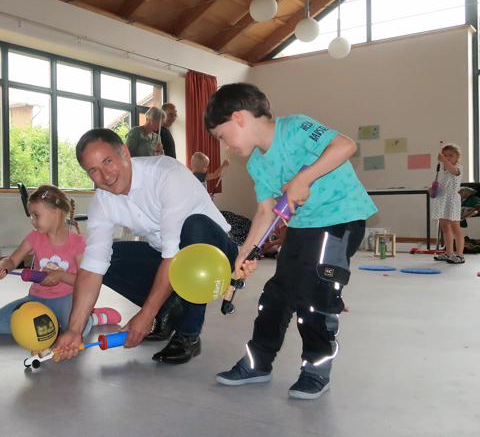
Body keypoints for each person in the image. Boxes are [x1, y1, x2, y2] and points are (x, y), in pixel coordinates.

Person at [204, 83, 377, 399]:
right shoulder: (257, 163)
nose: (224, 146)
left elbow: (344, 146)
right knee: (276, 294)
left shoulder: (296, 127)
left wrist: (302, 178)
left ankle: (316, 370)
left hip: (341, 219)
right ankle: (258, 363)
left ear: (239, 118)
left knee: (316, 297)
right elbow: (265, 209)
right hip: (304, 225)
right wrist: (245, 251)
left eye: (221, 136)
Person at [51, 128, 257, 365]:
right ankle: (168, 312)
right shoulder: (103, 201)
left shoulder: (166, 174)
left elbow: (174, 254)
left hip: (214, 253)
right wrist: (74, 329)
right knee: (110, 259)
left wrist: (145, 315)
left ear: (125, 153)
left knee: (194, 226)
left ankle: (188, 334)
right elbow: (92, 269)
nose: (105, 175)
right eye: (93, 170)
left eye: (108, 161)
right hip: (169, 258)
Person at [0, 184, 121, 335]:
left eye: (36, 215)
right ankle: (54, 323)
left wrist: (60, 275)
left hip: (67, 298)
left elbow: (84, 280)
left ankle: (93, 317)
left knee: (80, 330)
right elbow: (12, 261)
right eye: (31, 216)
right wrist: (2, 265)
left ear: (56, 213)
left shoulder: (78, 242)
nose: (32, 221)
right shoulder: (34, 237)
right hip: (36, 298)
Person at [429, 144, 464, 264]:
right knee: (444, 227)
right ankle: (449, 252)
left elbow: (453, 171)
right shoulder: (441, 170)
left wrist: (444, 161)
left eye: (450, 155)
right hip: (441, 199)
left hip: (451, 200)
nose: (447, 158)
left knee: (455, 227)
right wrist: (432, 190)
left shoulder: (458, 168)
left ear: (457, 157)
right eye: (445, 156)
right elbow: (440, 184)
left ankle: (459, 254)